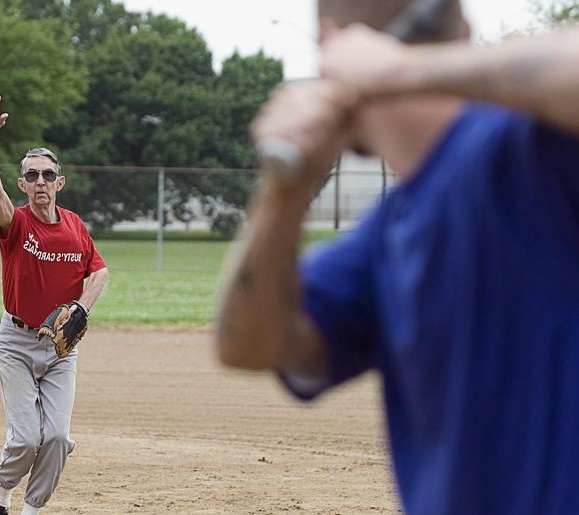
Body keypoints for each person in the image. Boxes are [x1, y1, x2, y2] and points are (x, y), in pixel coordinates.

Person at [215, 1, 579, 514]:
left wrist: (398, 71)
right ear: (466, 29)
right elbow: (249, 346)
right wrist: (286, 190)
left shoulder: (529, 150)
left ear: (331, 44)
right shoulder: (385, 236)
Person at [0, 95, 109, 515]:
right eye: (31, 174)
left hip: (60, 348)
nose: (39, 181)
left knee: (56, 437)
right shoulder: (15, 223)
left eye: (47, 174)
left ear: (59, 182)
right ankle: (0, 498)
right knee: (26, 438)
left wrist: (83, 308)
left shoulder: (75, 227)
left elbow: (100, 273)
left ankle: (32, 509)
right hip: (16, 341)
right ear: (23, 184)